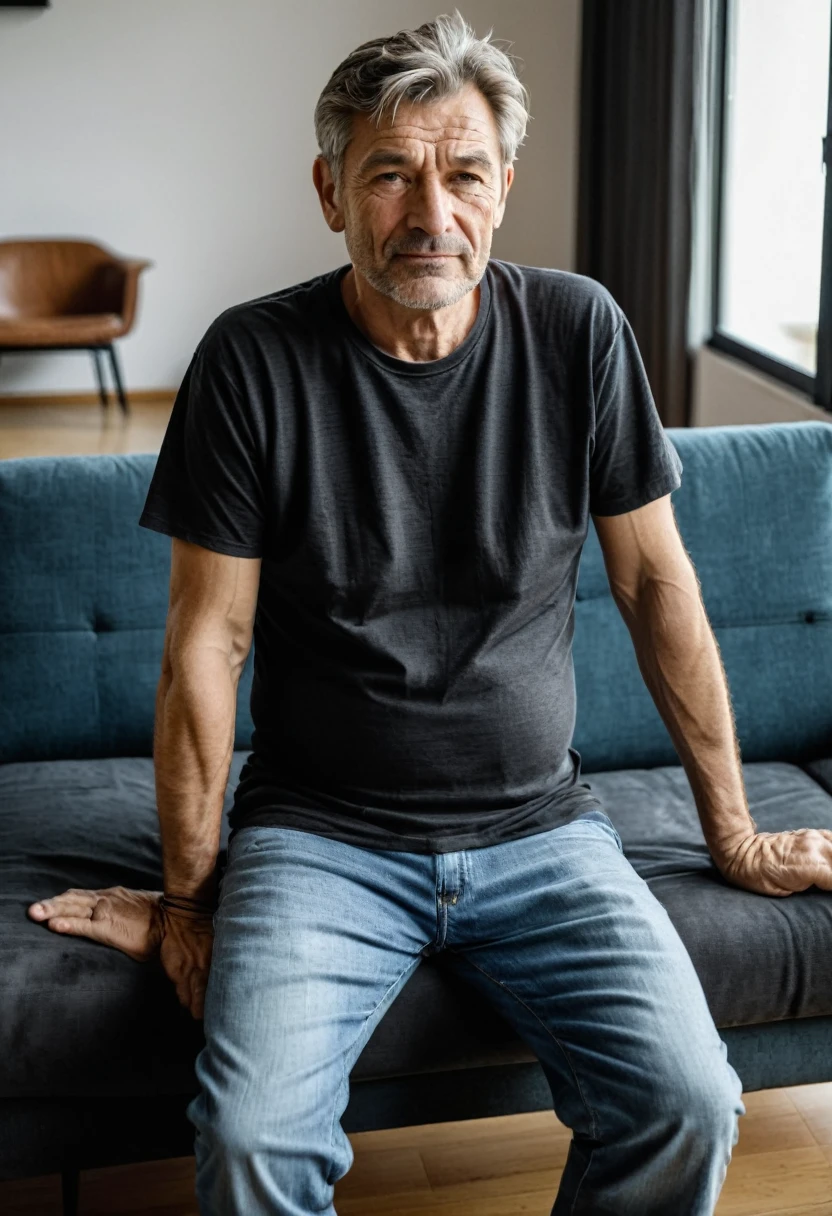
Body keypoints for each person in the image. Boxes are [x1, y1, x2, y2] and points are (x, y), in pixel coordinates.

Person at [26, 10, 832, 1215]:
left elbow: (657, 587)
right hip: (318, 840)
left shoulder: (577, 331)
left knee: (687, 1102)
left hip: (546, 831)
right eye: (389, 174)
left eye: (461, 174)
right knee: (251, 1140)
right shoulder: (252, 360)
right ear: (328, 190)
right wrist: (191, 897)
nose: (429, 213)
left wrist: (733, 832)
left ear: (503, 188)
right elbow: (207, 645)